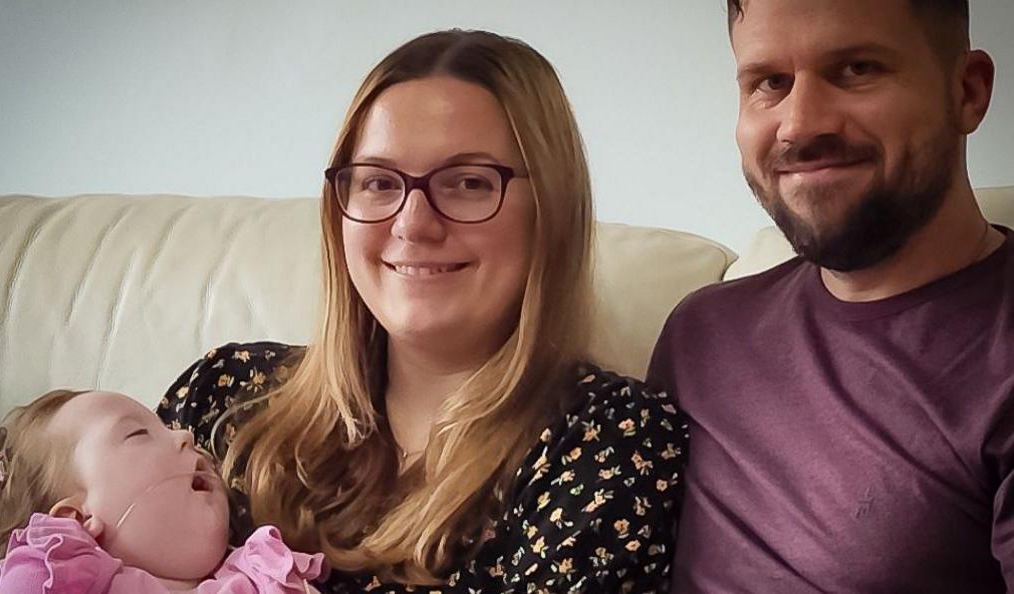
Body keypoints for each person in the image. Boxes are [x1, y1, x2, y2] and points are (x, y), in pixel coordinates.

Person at [158, 30, 688, 593]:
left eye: (467, 183)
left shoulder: (611, 442)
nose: (413, 223)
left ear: (551, 212)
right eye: (380, 182)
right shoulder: (223, 396)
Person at [647, 0, 1011, 591]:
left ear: (968, 92)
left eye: (857, 69)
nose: (799, 124)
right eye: (770, 83)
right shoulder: (700, 332)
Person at [0, 389, 327, 592]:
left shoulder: (262, 576)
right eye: (138, 433)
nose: (186, 435)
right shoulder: (54, 574)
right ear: (74, 521)